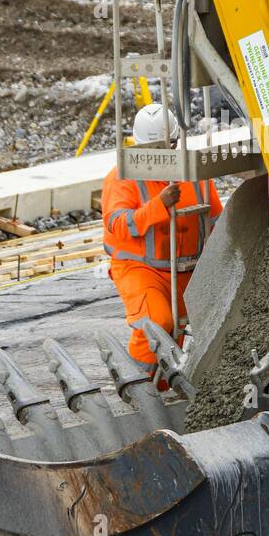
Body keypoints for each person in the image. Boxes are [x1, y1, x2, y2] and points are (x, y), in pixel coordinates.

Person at [101, 102, 222, 371]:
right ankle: (139, 388)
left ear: (176, 142)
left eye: (165, 148)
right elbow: (118, 224)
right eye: (152, 150)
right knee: (156, 324)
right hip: (140, 269)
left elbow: (216, 219)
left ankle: (165, 390)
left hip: (187, 271)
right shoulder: (122, 177)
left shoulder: (194, 172)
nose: (159, 156)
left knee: (180, 333)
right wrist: (159, 205)